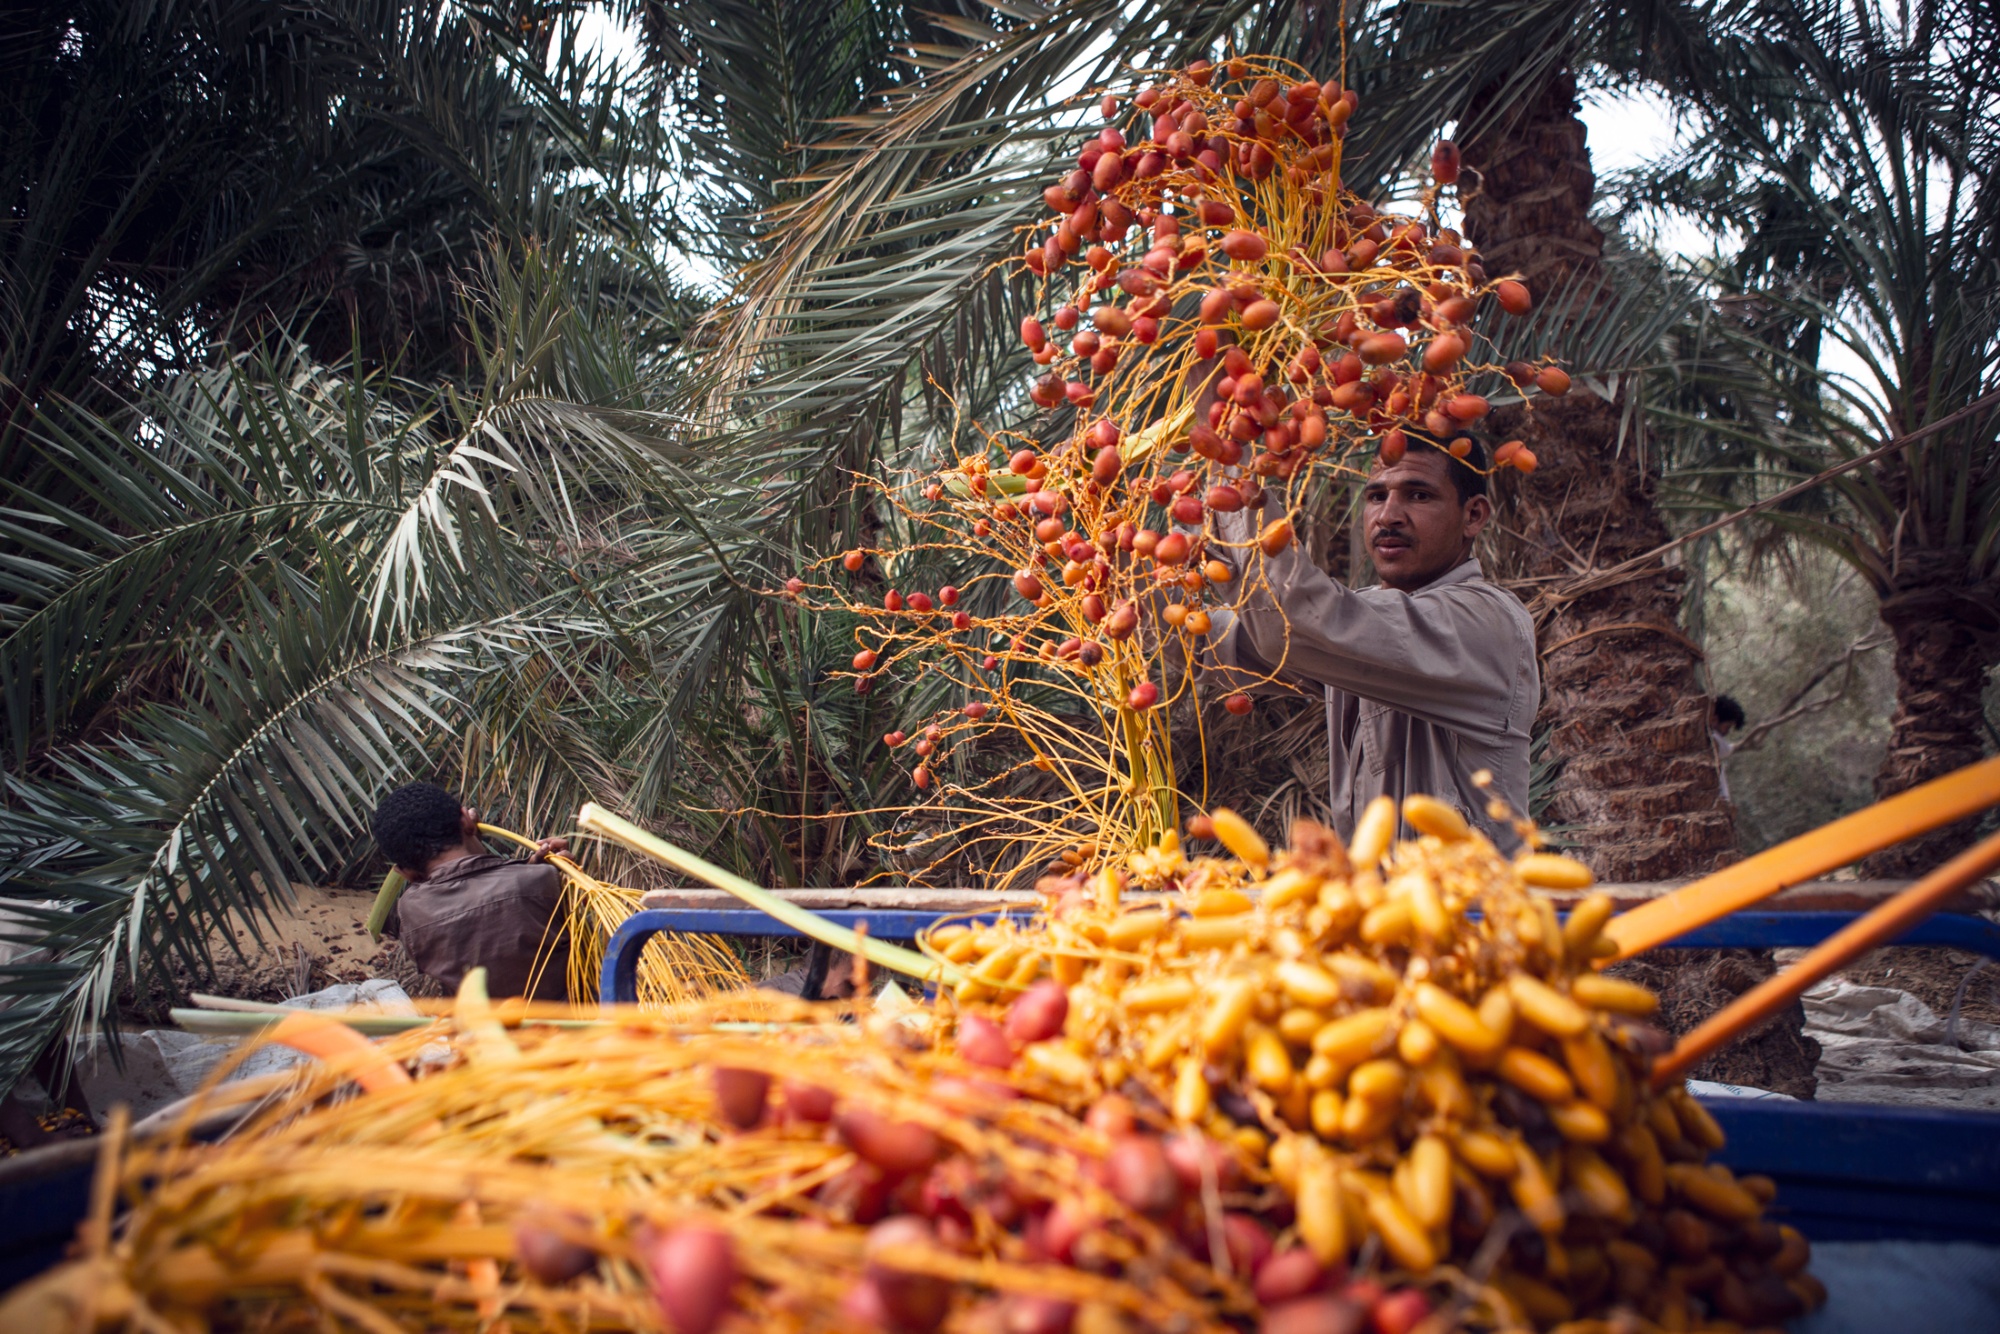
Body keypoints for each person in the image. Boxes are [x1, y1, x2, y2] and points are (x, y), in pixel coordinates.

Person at [1207, 435, 1540, 842]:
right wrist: (1121, 571)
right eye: (1376, 496)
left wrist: (1230, 451)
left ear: (1473, 516)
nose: (1388, 516)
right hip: (1381, 902)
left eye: (1418, 495)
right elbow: (1207, 646)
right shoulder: (1361, 619)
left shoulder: (1484, 622)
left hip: (1471, 901)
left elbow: (1291, 623)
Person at [370, 782, 572, 1001]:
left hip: (480, 1032)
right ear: (466, 820)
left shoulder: (412, 912)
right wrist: (552, 870)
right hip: (578, 1027)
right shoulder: (542, 880)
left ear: (405, 873)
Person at [1711, 694, 1746, 803]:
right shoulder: (1712, 738)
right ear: (1714, 719)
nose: (1727, 732)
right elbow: (1726, 749)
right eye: (1727, 727)